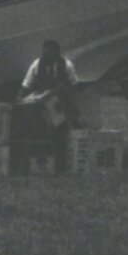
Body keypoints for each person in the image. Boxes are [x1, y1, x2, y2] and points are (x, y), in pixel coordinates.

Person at [16, 39, 80, 175]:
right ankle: (39, 163)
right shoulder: (36, 64)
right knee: (39, 130)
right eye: (44, 54)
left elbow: (74, 85)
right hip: (41, 101)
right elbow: (27, 84)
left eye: (50, 54)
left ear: (57, 53)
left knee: (61, 132)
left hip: (60, 102)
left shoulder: (67, 65)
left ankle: (60, 165)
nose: (46, 57)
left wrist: (73, 105)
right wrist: (19, 98)